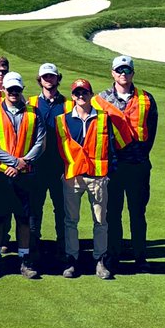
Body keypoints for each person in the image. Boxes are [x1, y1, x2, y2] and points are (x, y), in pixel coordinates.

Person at [53, 79, 132, 280]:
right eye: (77, 93)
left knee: (100, 222)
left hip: (97, 177)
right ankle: (72, 259)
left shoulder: (103, 118)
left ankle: (100, 260)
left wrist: (108, 173)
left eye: (85, 92)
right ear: (72, 96)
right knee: (71, 221)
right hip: (73, 177)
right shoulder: (62, 120)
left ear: (91, 94)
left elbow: (112, 147)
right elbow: (57, 150)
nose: (81, 96)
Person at [98, 55, 159, 272]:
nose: (123, 74)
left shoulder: (146, 98)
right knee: (113, 213)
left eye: (127, 70)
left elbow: (151, 131)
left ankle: (140, 257)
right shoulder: (101, 99)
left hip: (138, 166)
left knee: (137, 213)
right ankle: (114, 257)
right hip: (112, 167)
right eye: (119, 70)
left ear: (133, 73)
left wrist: (141, 155)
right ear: (112, 73)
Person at [0, 72, 45, 279]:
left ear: (21, 90)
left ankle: (24, 259)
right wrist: (13, 162)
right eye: (10, 89)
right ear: (4, 90)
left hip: (25, 175)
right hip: (0, 175)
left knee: (24, 220)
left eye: (17, 89)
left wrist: (22, 163)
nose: (14, 93)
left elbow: (40, 143)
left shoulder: (34, 113)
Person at [28, 63, 68, 266]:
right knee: (35, 209)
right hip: (36, 167)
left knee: (62, 210)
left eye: (52, 76)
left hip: (60, 167)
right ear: (40, 79)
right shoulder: (31, 103)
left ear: (57, 78)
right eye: (45, 77)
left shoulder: (68, 104)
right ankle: (34, 250)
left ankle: (63, 251)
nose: (48, 80)